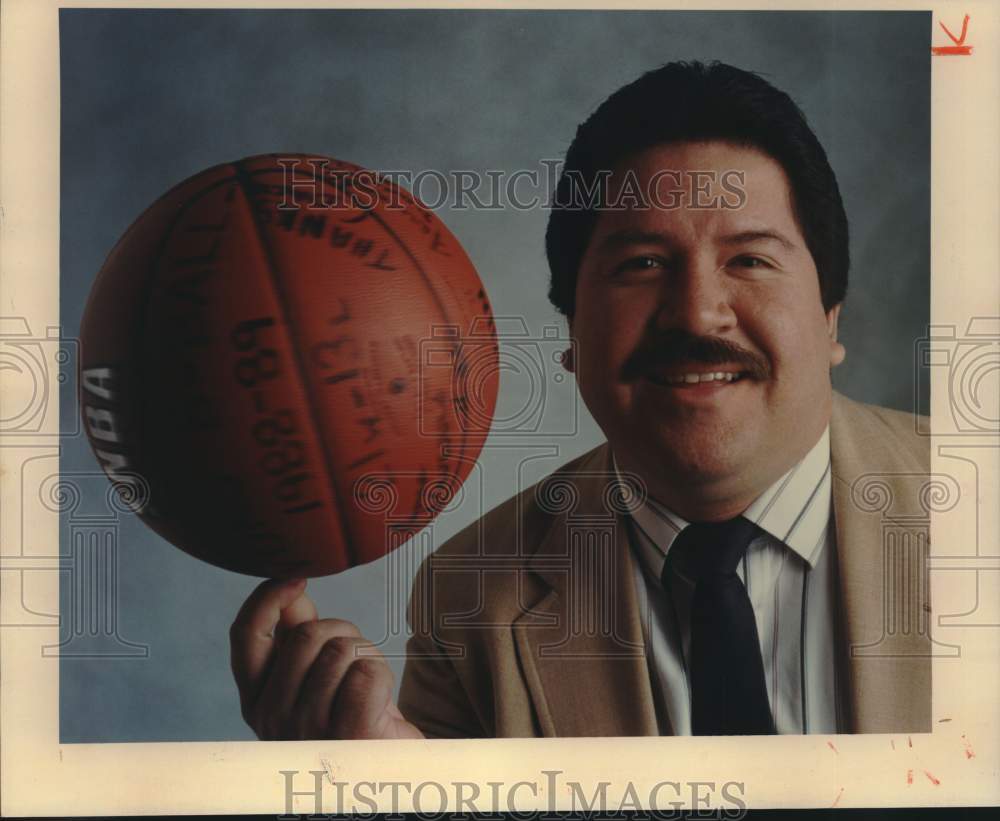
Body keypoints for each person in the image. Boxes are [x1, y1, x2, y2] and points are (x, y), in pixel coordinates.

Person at [229, 61, 931, 739]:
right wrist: (382, 781)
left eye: (749, 259)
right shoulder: (469, 601)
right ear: (571, 330)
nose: (696, 313)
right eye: (642, 265)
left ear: (832, 317)